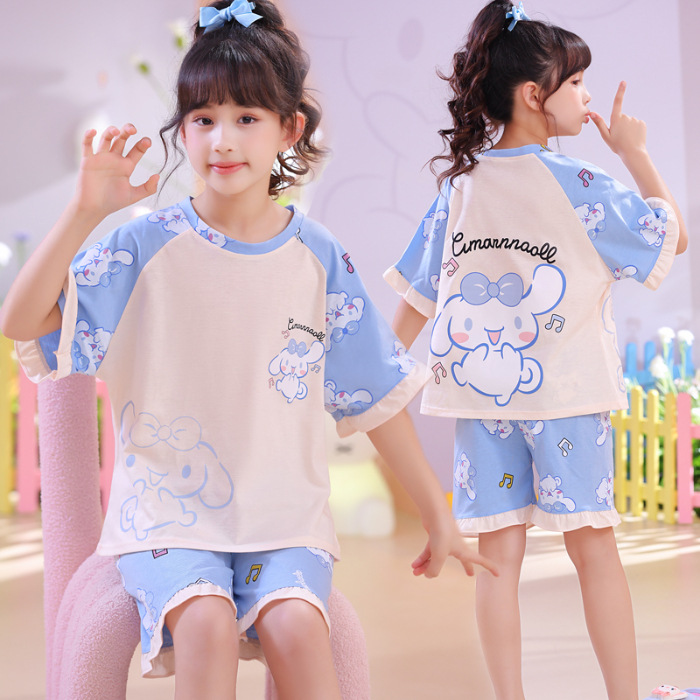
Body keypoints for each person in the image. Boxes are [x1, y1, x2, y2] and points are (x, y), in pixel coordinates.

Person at [0, 1, 497, 698]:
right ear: (182, 128)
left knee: (298, 628)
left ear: (289, 128)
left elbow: (375, 393)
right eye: (203, 119)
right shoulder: (141, 246)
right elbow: (22, 321)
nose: (222, 140)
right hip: (168, 519)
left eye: (246, 118)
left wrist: (436, 512)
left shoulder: (319, 257)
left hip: (284, 520)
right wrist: (85, 211)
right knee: (204, 624)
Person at [384, 2, 687, 699]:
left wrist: (378, 373)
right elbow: (670, 239)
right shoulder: (581, 184)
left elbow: (419, 298)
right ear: (533, 95)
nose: (586, 96)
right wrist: (634, 153)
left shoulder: (460, 187)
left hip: (481, 404)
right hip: (567, 399)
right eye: (575, 83)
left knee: (497, 559)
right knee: (594, 549)